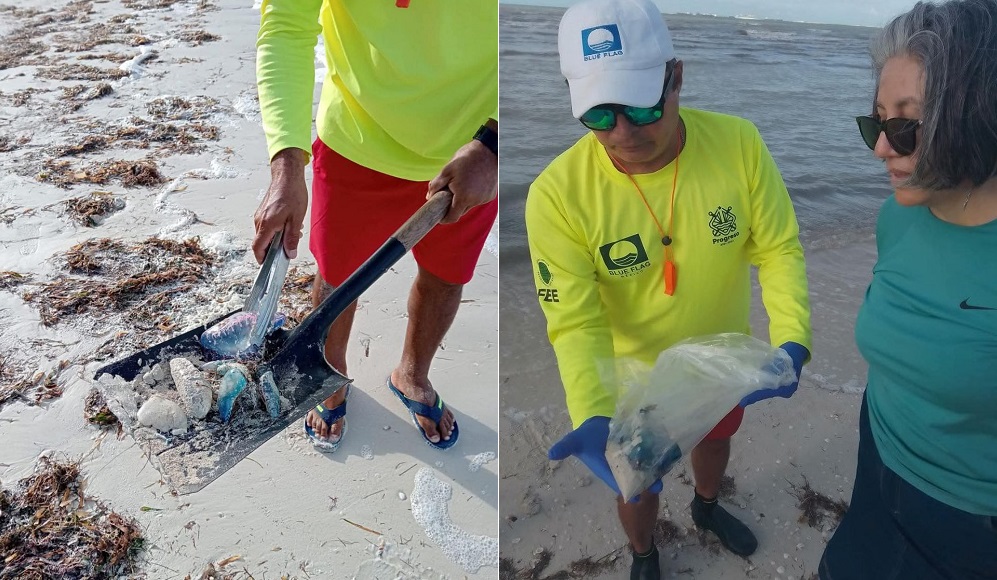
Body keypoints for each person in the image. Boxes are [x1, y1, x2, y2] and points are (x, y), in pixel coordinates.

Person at [525, 0, 812, 577]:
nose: (624, 134)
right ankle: (645, 551)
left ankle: (707, 507)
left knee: (714, 440)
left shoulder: (739, 144)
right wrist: (591, 411)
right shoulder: (556, 196)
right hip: (633, 382)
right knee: (636, 485)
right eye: (600, 115)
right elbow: (575, 321)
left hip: (722, 362)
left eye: (641, 106)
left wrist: (791, 338)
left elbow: (776, 247)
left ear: (675, 76)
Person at [252, 1, 498, 451]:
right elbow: (287, 25)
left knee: (447, 276)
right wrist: (287, 163)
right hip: (357, 141)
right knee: (337, 279)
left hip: (475, 155)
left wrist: (496, 142)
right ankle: (331, 376)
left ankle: (412, 375)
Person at [819, 1, 997, 578]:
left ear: (977, 112)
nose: (880, 149)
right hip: (880, 456)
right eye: (875, 122)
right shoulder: (899, 217)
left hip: (971, 514)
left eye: (905, 126)